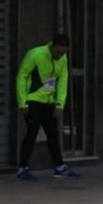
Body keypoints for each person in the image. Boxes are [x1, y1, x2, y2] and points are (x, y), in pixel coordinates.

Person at [16, 34, 78, 180]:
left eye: (63, 53)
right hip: (32, 100)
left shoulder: (62, 58)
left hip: (49, 101)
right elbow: (21, 77)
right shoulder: (35, 54)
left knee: (53, 134)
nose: (60, 56)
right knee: (32, 133)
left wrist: (60, 104)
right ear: (52, 46)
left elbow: (63, 80)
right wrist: (22, 103)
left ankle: (60, 167)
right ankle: (22, 168)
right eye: (58, 52)